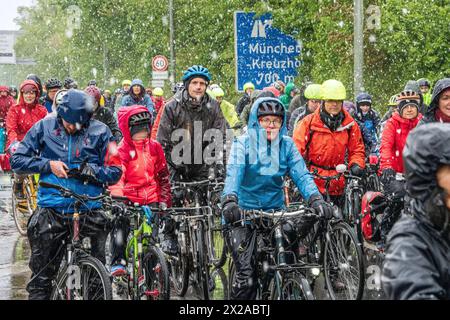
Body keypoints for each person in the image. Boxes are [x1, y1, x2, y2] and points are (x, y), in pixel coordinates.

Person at [10, 89, 122, 300]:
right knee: (41, 279)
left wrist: (92, 171)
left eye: (78, 124)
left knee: (97, 282)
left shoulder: (102, 132)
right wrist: (47, 165)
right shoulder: (44, 127)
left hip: (88, 207)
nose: (72, 127)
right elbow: (17, 160)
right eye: (68, 122)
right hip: (52, 208)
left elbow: (116, 171)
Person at [222, 97, 333, 300]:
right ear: (256, 121)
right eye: (266, 120)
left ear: (282, 123)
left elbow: (301, 174)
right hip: (243, 215)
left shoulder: (287, 145)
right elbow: (234, 172)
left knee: (289, 262)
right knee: (248, 278)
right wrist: (230, 200)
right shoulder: (242, 144)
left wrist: (315, 198)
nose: (271, 125)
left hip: (274, 213)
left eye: (276, 120)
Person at [156, 65, 226, 254]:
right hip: (175, 161)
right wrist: (173, 165)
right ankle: (169, 233)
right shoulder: (172, 106)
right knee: (174, 197)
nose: (198, 87)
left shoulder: (213, 107)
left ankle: (205, 254)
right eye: (194, 83)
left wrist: (218, 165)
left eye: (202, 83)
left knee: (205, 200)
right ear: (187, 85)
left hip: (201, 161)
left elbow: (219, 137)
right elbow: (161, 142)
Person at [381, 123, 450, 300]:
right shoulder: (408, 245)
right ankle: (382, 230)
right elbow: (412, 289)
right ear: (428, 177)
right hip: (397, 174)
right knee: (395, 199)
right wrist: (387, 166)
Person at [109, 105, 171, 276]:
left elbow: (162, 175)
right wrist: (118, 198)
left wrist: (165, 200)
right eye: (138, 131)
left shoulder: (154, 147)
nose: (142, 134)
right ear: (128, 131)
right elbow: (117, 178)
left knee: (151, 236)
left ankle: (151, 263)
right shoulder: (121, 150)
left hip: (151, 197)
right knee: (119, 225)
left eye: (145, 130)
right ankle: (117, 262)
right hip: (127, 198)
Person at [293, 79, 366, 207]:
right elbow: (295, 151)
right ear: (323, 101)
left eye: (338, 101)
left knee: (343, 220)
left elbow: (357, 149)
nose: (334, 104)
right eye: (330, 100)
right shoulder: (307, 123)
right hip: (313, 182)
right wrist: (298, 171)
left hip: (340, 181)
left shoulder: (350, 125)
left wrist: (356, 164)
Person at [379, 90, 422, 245]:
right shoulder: (392, 123)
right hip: (396, 172)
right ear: (400, 108)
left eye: (413, 106)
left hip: (417, 173)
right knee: (398, 197)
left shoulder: (422, 123)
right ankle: (386, 231)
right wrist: (387, 166)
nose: (410, 109)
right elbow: (386, 147)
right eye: (406, 106)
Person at [5, 80, 47, 195]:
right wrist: (14, 142)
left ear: (36, 94)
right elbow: (11, 129)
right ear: (22, 94)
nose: (29, 96)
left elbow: (48, 127)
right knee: (21, 165)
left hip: (38, 143)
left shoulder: (42, 110)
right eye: (26, 93)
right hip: (21, 143)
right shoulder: (15, 110)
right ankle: (18, 184)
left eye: (32, 93)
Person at [0, 86, 15, 153]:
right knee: (1, 137)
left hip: (9, 121)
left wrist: (9, 118)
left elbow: (13, 109)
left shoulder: (10, 99)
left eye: (4, 91)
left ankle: (7, 152)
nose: (3, 93)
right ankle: (1, 152)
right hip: (1, 122)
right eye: (2, 91)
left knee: (9, 137)